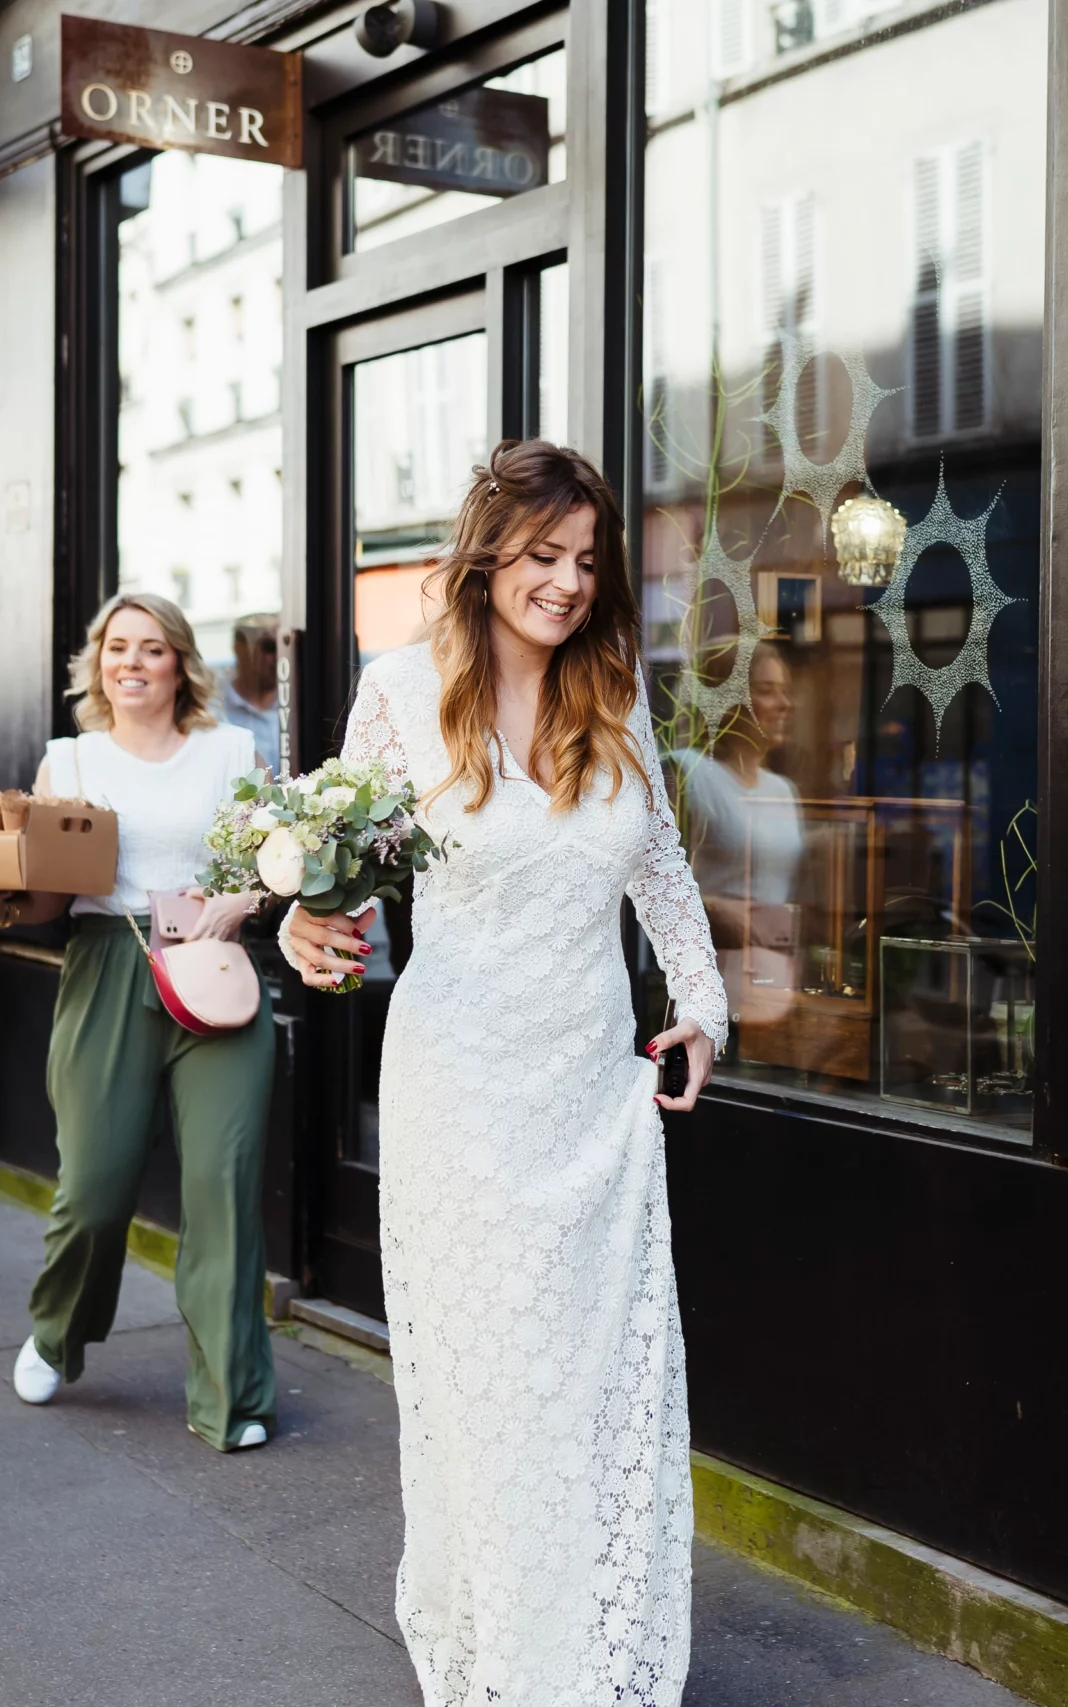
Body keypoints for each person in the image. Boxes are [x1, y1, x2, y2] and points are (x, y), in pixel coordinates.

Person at [285, 440, 726, 1705]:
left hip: (593, 1097)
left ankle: (589, 1659)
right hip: (459, 1099)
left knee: (595, 1394)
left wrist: (701, 1009)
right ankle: (508, 1664)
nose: (570, 583)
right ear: (486, 557)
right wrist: (303, 925)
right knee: (492, 1401)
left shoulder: (616, 689)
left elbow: (662, 878)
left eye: (588, 561)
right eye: (544, 556)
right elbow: (328, 863)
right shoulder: (399, 690)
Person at [0, 592, 278, 1449]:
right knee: (92, 1192)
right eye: (116, 647)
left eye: (152, 648)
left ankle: (231, 1398)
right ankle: (57, 1332)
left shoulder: (234, 749)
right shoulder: (72, 761)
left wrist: (246, 893)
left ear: (181, 664)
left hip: (212, 970)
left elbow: (279, 862)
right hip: (106, 965)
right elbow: (50, 896)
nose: (132, 662)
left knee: (223, 1190)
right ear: (99, 664)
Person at [670, 640, 803, 1020]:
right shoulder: (685, 773)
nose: (784, 704)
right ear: (727, 699)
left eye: (785, 691)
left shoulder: (783, 790)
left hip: (775, 980)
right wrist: (715, 909)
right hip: (707, 980)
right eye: (765, 690)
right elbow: (647, 884)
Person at [215, 611, 283, 770]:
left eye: (285, 645)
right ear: (239, 648)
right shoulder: (214, 708)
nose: (280, 656)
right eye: (269, 647)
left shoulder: (298, 703)